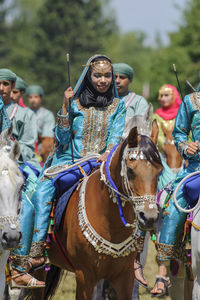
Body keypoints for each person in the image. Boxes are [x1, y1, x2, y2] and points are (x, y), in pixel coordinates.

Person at [11, 54, 126, 288]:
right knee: (42, 192)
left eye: (107, 75)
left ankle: (133, 257)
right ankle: (36, 252)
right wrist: (64, 106)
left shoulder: (118, 106)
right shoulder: (74, 103)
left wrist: (108, 153)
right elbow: (62, 139)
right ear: (88, 76)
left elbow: (115, 136)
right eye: (97, 75)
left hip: (101, 163)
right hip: (69, 162)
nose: (103, 80)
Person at [151, 89, 199, 297]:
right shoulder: (191, 101)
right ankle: (162, 273)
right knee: (172, 205)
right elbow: (179, 132)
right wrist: (184, 146)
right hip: (195, 169)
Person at [0, 68, 45, 287]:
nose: (2, 88)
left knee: (30, 199)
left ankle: (20, 264)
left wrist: (10, 150)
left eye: (6, 84)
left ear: (12, 87)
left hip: (18, 162)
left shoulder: (25, 114)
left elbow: (27, 144)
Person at [152, 84, 182, 153]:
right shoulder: (156, 116)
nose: (162, 99)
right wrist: (168, 146)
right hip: (162, 153)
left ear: (174, 96)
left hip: (182, 152)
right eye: (161, 96)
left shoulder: (182, 114)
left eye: (166, 95)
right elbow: (156, 135)